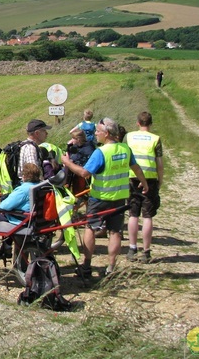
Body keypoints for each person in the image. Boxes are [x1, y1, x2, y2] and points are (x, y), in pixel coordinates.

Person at [62, 117, 149, 277]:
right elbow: (136, 168)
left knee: (90, 228)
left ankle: (87, 265)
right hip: (119, 198)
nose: (95, 134)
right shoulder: (125, 149)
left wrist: (66, 162)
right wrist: (143, 182)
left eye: (98, 131)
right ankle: (111, 266)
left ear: (106, 133)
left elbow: (84, 173)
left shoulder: (100, 152)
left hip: (99, 197)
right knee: (115, 232)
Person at [125, 112, 164, 263]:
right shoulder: (156, 139)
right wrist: (160, 181)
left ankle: (132, 247)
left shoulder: (129, 137)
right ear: (151, 124)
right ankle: (146, 251)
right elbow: (159, 164)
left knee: (133, 214)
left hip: (132, 177)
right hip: (150, 177)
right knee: (147, 215)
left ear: (137, 123)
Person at [0, 163, 41, 252]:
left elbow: (4, 206)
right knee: (7, 215)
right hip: (37, 217)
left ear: (25, 175)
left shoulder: (23, 189)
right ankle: (7, 246)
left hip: (24, 219)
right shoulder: (40, 185)